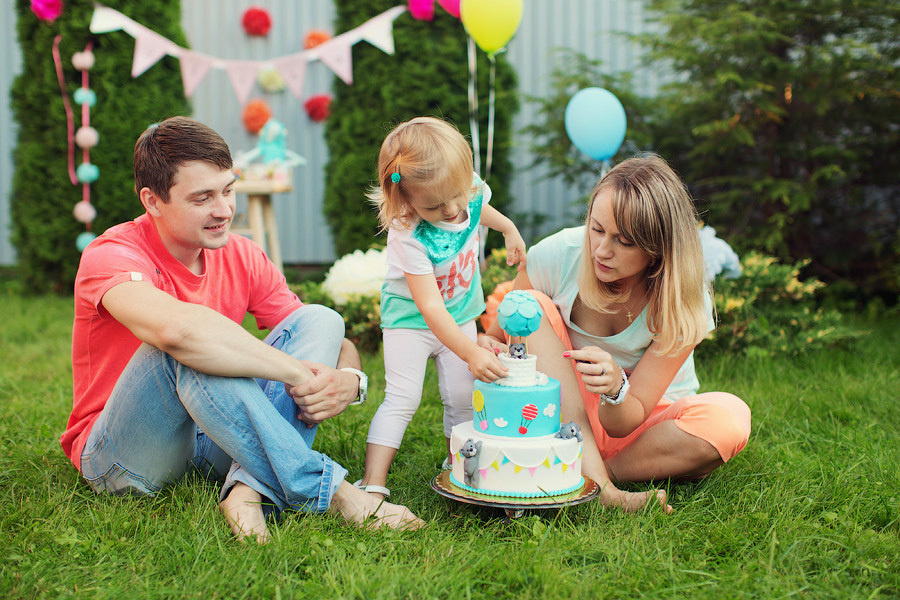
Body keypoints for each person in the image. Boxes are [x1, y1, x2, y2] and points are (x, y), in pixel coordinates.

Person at [62, 116, 423, 543]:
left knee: (320, 317)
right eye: (202, 198)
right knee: (185, 348)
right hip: (123, 455)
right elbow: (180, 334)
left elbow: (324, 338)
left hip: (217, 429)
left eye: (229, 190)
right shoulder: (112, 255)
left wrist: (349, 380)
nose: (224, 210)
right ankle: (336, 493)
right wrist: (294, 373)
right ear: (153, 200)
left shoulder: (242, 254)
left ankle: (247, 490)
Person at [478, 155, 751, 513]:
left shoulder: (683, 298)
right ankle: (603, 490)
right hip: (559, 411)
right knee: (528, 302)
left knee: (729, 419)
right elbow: (499, 335)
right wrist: (486, 348)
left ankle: (588, 475)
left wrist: (615, 389)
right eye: (596, 228)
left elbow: (625, 423)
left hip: (644, 428)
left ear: (658, 249)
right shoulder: (557, 255)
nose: (601, 251)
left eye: (623, 241)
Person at [355, 116, 527, 498]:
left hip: (461, 313)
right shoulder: (409, 235)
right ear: (405, 198)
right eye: (434, 205)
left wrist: (508, 228)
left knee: (463, 397)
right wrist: (471, 350)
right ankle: (372, 481)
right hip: (411, 323)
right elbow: (430, 308)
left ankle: (458, 467)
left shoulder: (466, 188)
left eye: (457, 197)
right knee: (403, 397)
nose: (452, 210)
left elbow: (479, 207)